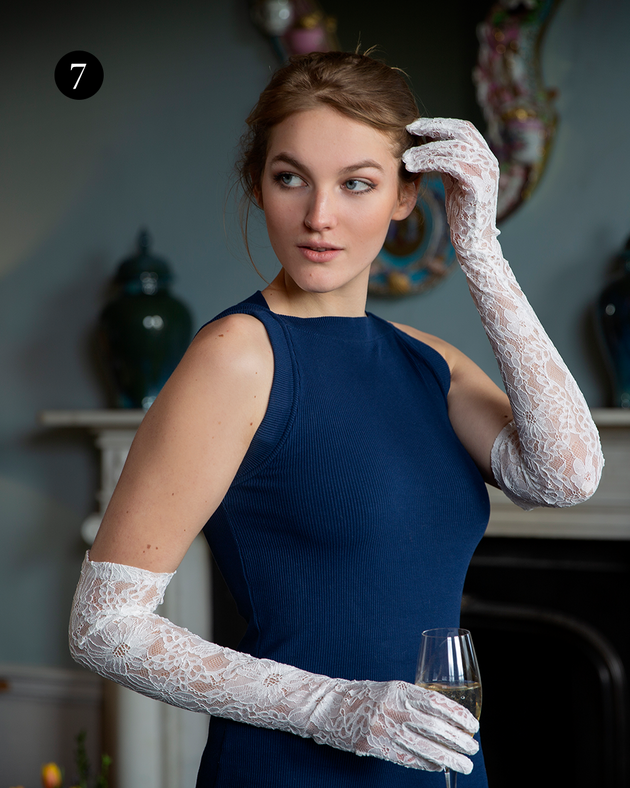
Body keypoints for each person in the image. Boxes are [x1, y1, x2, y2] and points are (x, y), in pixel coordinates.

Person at [69, 50, 604, 787]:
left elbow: (568, 475)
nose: (319, 217)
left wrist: (481, 248)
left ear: (406, 196)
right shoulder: (239, 356)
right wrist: (332, 708)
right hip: (292, 768)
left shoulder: (430, 362)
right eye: (291, 178)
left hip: (440, 765)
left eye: (358, 184)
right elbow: (104, 627)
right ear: (259, 184)